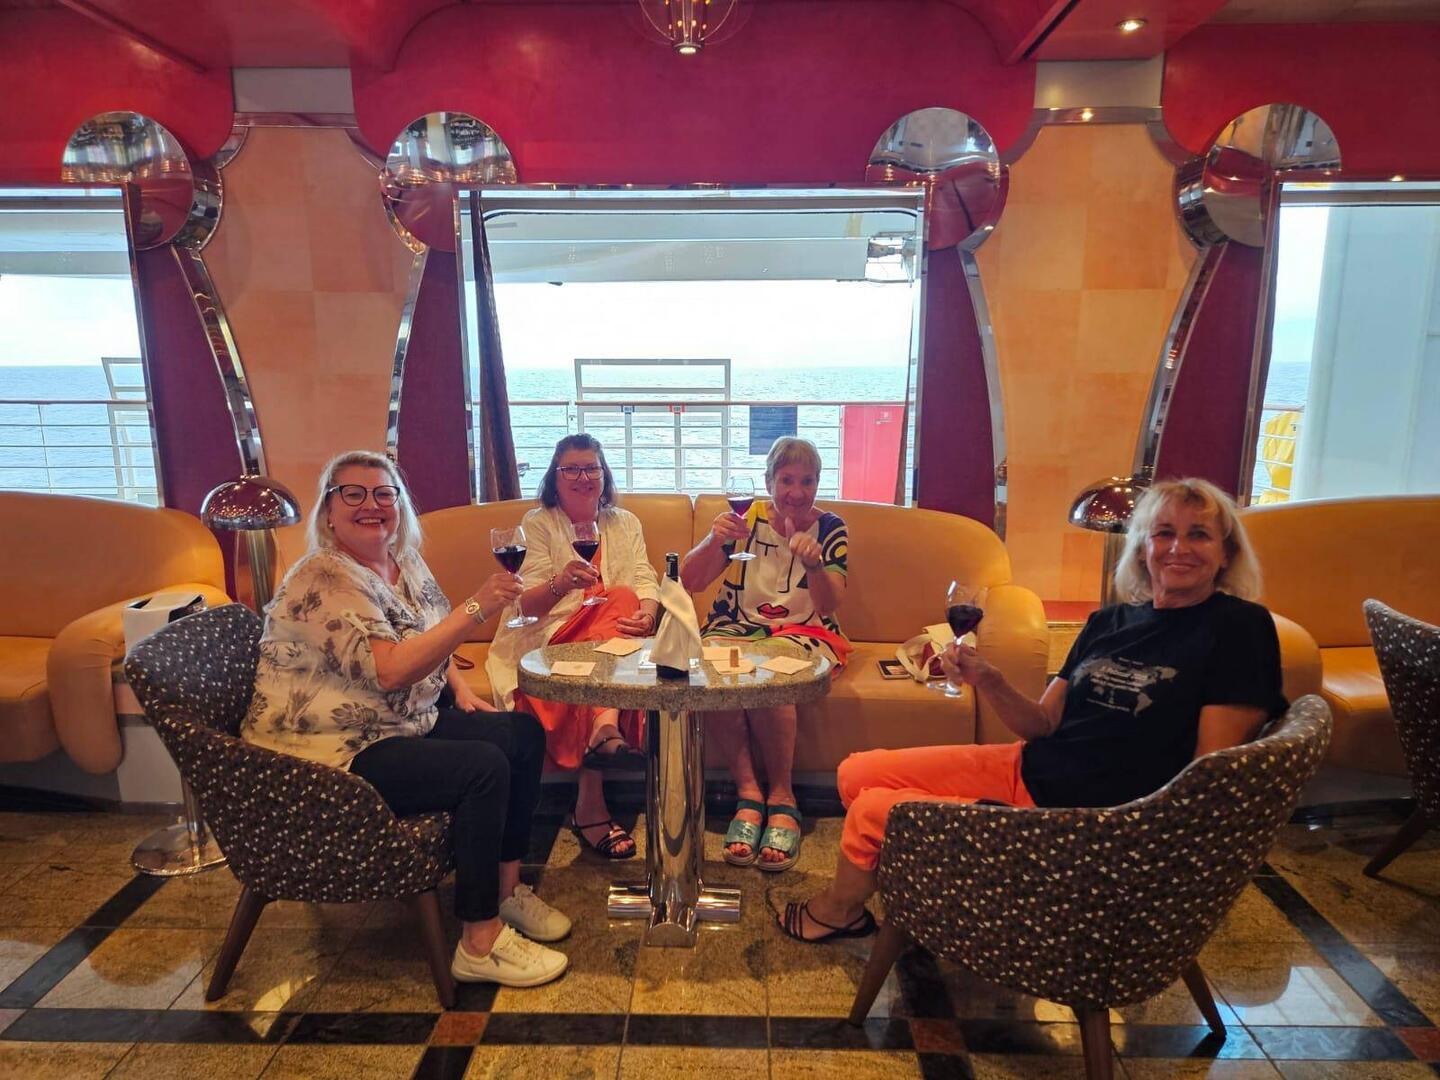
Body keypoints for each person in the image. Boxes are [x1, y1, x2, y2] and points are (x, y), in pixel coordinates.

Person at [779, 477, 1286, 942]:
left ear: (1226, 553)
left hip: (1087, 820)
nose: (1178, 548)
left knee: (873, 811)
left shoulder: (1239, 627)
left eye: (1199, 535)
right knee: (856, 773)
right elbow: (1042, 725)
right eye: (1164, 533)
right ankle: (938, 894)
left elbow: (1210, 774)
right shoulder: (1110, 622)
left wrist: (1141, 848)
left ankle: (840, 912)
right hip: (1030, 766)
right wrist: (988, 679)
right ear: (1142, 546)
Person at [243, 450, 570, 987]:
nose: (371, 505)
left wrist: (458, 689)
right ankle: (479, 941)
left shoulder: (404, 560)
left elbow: (429, 633)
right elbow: (392, 670)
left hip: (399, 721)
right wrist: (477, 607)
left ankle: (505, 891)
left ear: (400, 505)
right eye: (353, 493)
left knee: (520, 733)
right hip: (333, 749)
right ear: (329, 512)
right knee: (482, 767)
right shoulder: (324, 578)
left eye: (383, 493)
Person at [486, 434, 661, 860]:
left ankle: (592, 789)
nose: (583, 477)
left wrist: (649, 614)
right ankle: (604, 734)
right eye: (572, 469)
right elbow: (524, 604)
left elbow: (645, 577)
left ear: (604, 474)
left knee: (622, 602)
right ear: (555, 476)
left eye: (591, 468)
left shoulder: (625, 522)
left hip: (613, 637)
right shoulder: (538, 523)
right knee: (617, 604)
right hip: (554, 634)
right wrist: (561, 583)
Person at [681, 436, 850, 872]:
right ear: (769, 481)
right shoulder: (745, 519)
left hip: (804, 630)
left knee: (773, 676)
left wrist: (814, 564)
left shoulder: (832, 527)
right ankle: (749, 794)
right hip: (734, 625)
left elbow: (828, 605)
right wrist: (712, 540)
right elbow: (691, 582)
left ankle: (782, 797)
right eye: (786, 480)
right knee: (713, 673)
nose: (796, 491)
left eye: (807, 481)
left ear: (818, 484)